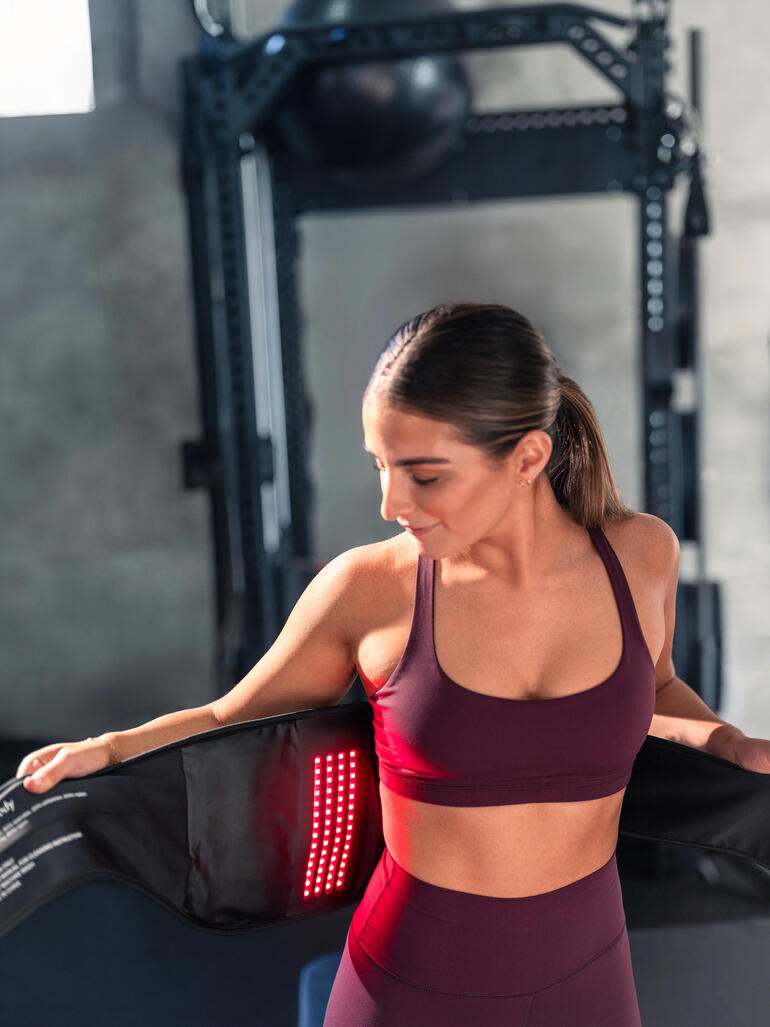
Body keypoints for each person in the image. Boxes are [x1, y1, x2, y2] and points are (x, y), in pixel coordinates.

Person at [16, 302, 770, 1025]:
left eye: (424, 473)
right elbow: (230, 715)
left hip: (590, 970)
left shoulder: (640, 555)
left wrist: (726, 742)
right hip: (417, 980)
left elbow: (658, 686)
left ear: (528, 456)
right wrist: (106, 750)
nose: (389, 501)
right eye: (380, 465)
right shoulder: (370, 588)